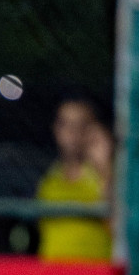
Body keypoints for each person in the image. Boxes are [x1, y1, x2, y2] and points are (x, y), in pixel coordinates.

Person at [36, 97, 113, 262]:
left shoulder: (103, 176)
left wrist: (104, 169)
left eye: (80, 124)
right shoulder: (49, 180)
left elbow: (120, 230)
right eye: (65, 124)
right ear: (56, 129)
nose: (71, 132)